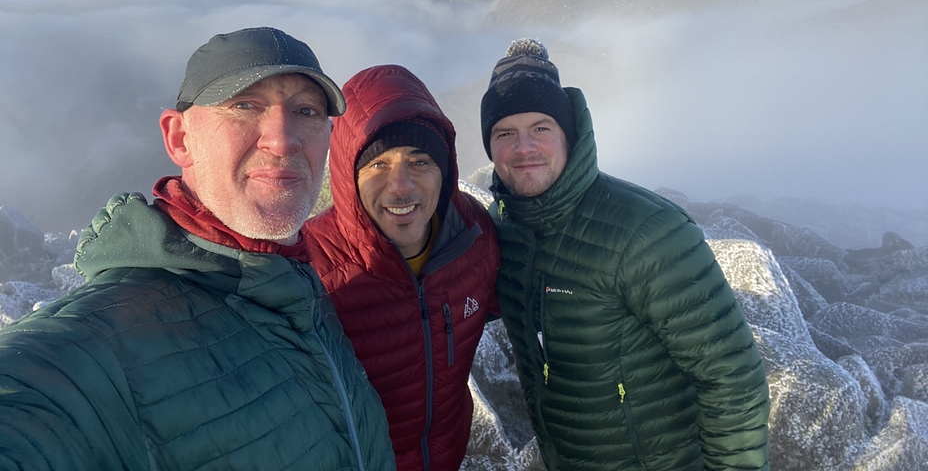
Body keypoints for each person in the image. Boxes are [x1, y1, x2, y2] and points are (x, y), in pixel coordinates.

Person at [0, 27, 395, 470]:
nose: (282, 139)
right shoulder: (97, 344)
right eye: (245, 105)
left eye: (306, 111)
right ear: (179, 138)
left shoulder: (300, 290)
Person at [479, 38, 770, 470]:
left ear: (569, 135)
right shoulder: (503, 229)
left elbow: (733, 378)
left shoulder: (646, 231)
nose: (524, 147)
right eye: (506, 133)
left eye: (541, 128)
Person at [304, 64, 499, 470]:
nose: (401, 186)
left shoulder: (474, 237)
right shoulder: (309, 271)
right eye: (377, 165)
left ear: (444, 172)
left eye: (419, 161)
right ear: (346, 179)